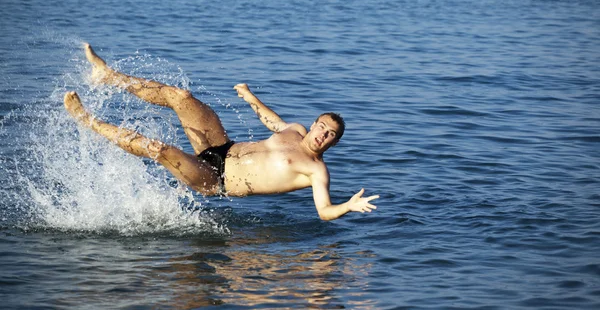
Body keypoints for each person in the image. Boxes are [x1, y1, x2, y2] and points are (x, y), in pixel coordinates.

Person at [64, 43, 379, 221]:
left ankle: (88, 122)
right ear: (314, 125)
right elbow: (273, 123)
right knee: (181, 97)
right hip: (221, 147)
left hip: (215, 180)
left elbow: (323, 211)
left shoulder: (316, 171)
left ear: (333, 143)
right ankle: (107, 76)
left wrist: (347, 206)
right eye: (322, 126)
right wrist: (252, 98)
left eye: (330, 135)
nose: (323, 134)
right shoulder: (295, 131)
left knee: (160, 150)